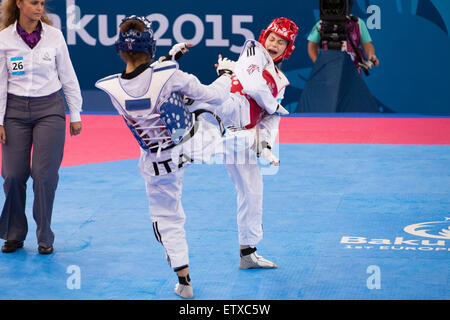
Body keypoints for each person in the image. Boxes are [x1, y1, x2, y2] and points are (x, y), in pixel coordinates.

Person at [95, 16, 249, 299]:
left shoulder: (111, 88)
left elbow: (144, 83)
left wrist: (168, 59)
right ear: (150, 48)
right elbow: (211, 94)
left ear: (119, 49)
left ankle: (184, 279)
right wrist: (228, 73)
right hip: (196, 141)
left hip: (158, 162)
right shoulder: (170, 74)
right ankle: (243, 133)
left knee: (167, 219)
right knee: (205, 101)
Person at [190, 17, 299, 269]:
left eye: (281, 42)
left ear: (287, 49)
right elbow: (252, 86)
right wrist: (273, 105)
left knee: (252, 191)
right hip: (228, 109)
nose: (274, 44)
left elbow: (270, 117)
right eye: (272, 38)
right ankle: (186, 108)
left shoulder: (281, 81)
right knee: (210, 104)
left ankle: (247, 253)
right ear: (264, 38)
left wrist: (267, 144)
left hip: (244, 133)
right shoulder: (253, 50)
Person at [0, 0, 83, 254]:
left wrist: (75, 113)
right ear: (19, 4)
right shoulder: (4, 39)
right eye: (34, 2)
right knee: (12, 176)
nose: (39, 8)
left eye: (42, 3)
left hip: (50, 110)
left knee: (44, 176)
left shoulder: (55, 37)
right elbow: (0, 83)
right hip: (13, 112)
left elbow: (68, 75)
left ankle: (44, 235)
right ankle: (13, 233)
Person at [307, 0, 379, 73]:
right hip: (328, 75)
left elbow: (367, 45)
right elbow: (311, 46)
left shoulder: (358, 24)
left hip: (352, 73)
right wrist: (319, 65)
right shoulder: (320, 24)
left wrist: (371, 55)